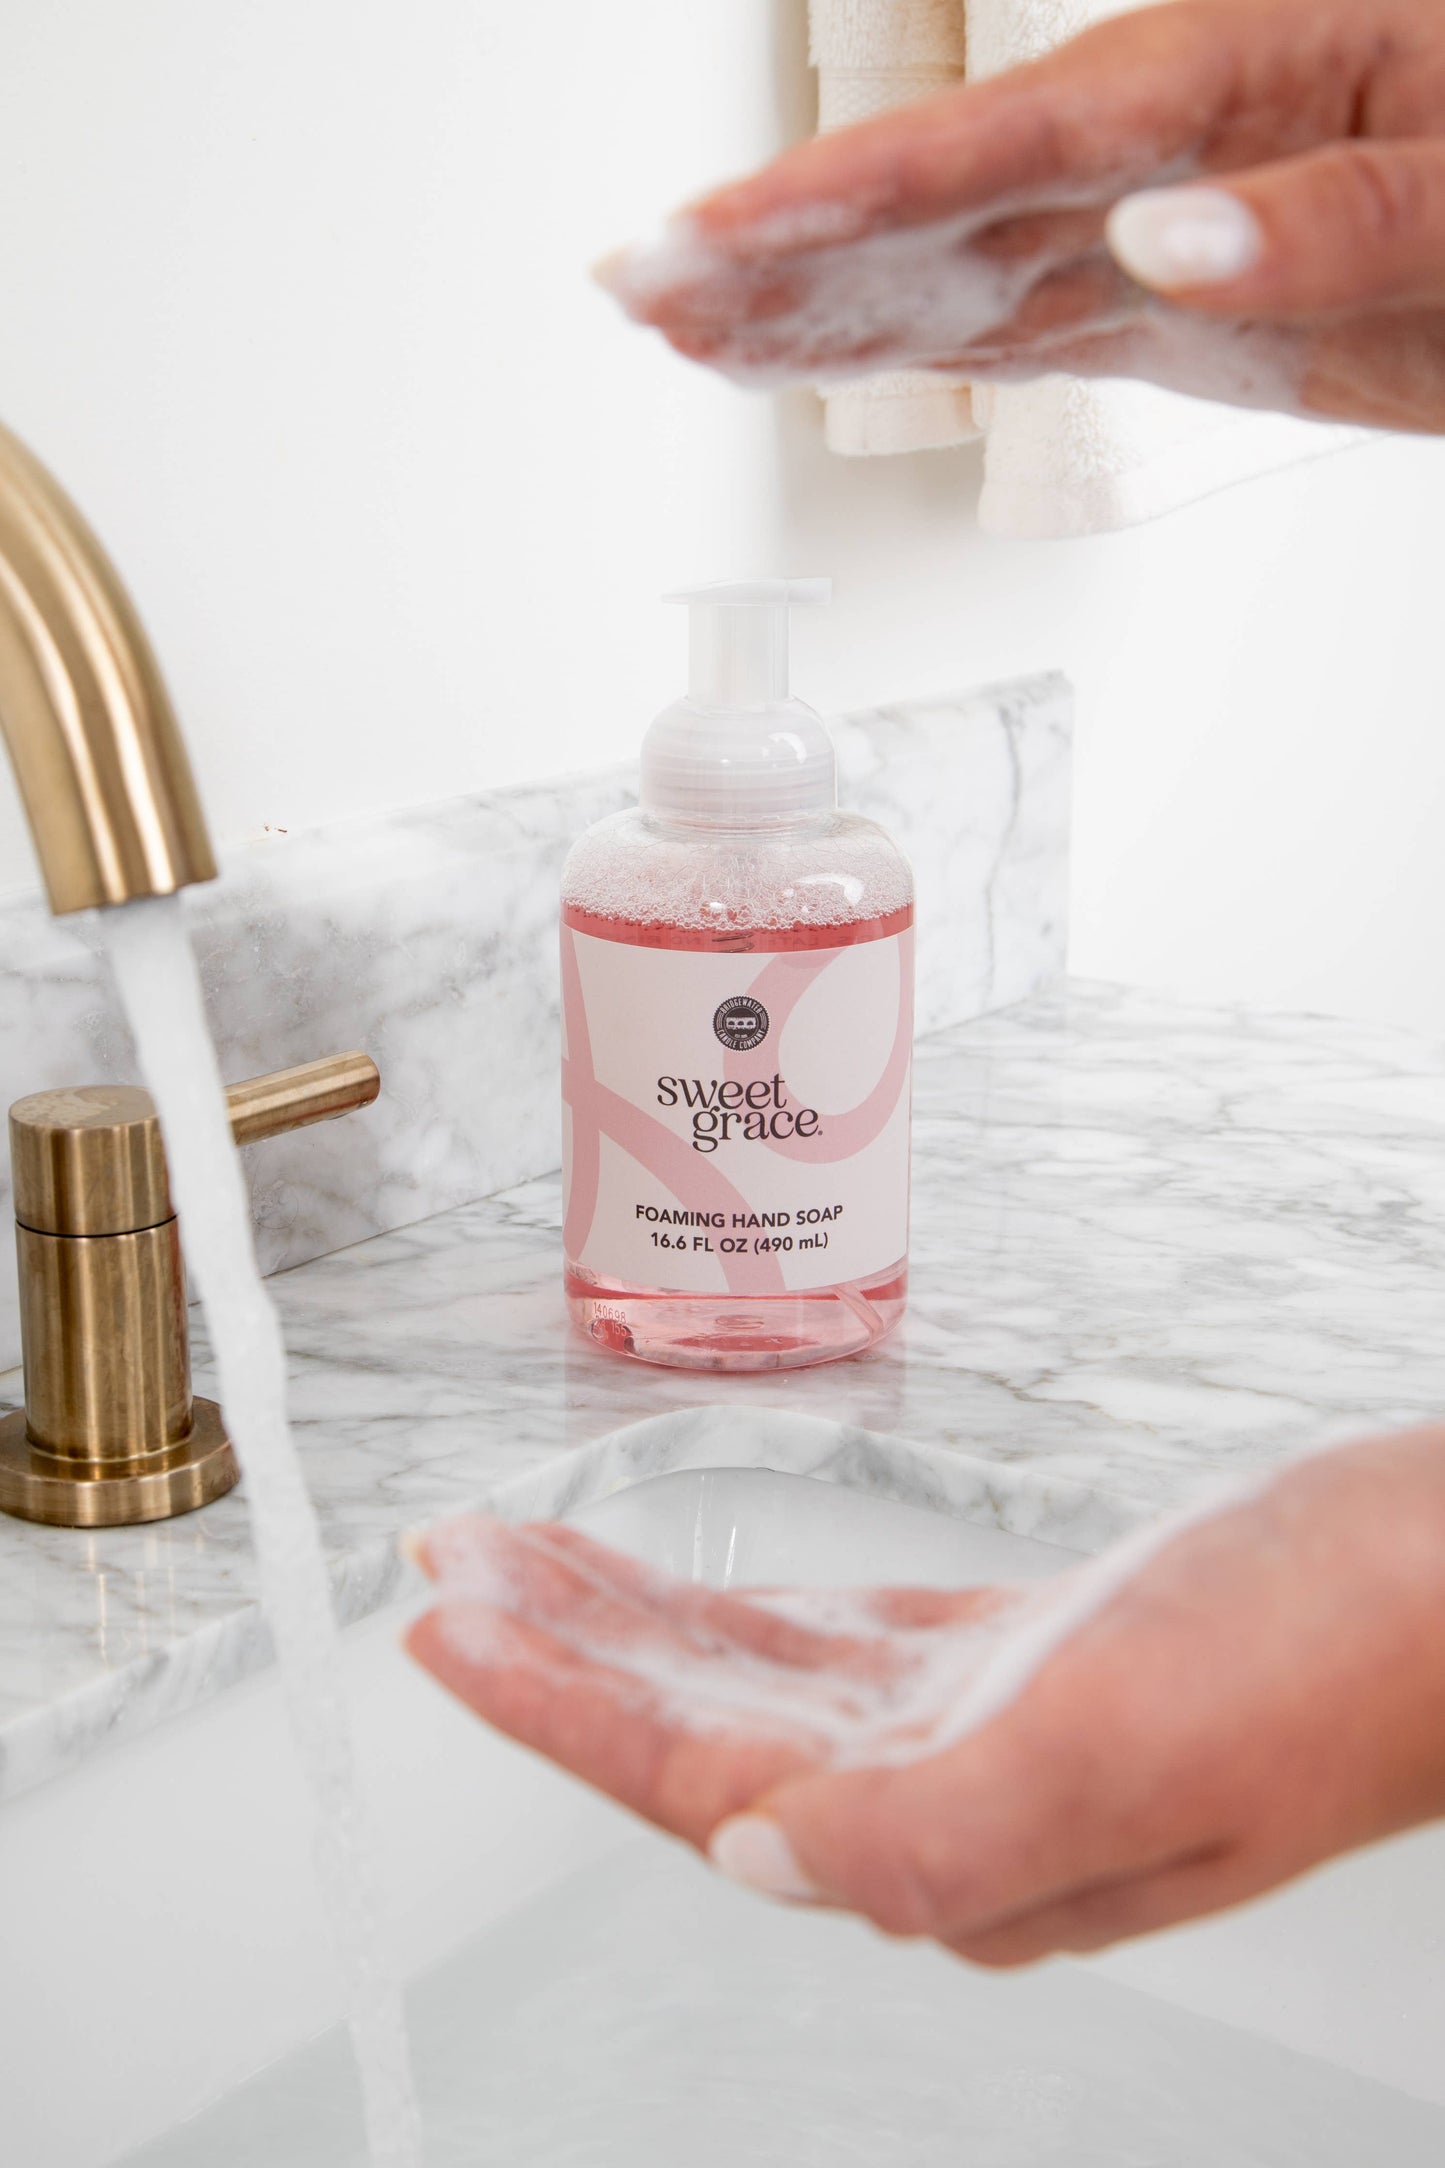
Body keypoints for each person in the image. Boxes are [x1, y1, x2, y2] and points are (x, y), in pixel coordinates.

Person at [407, 0, 1445, 1966]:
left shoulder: (853, 868)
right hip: (651, 1293)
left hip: (843, 1288)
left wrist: (1387, 1614)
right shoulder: (623, 871)